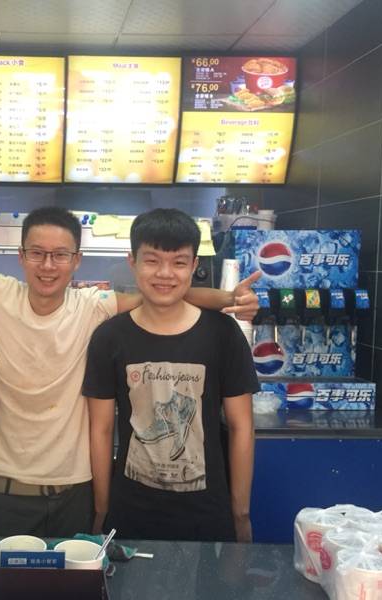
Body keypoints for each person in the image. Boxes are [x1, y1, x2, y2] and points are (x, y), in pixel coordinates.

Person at [0, 202, 260, 538]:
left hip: (76, 492)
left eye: (59, 255)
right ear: (20, 256)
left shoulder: (93, 306)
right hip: (2, 492)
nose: (48, 265)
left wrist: (229, 300)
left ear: (77, 260)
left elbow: (162, 294)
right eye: (37, 253)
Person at [83, 208, 258, 543]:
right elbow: (101, 430)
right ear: (132, 262)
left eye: (178, 262)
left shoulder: (223, 334)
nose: (165, 273)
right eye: (152, 260)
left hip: (206, 513)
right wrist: (102, 510)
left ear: (194, 265)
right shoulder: (109, 337)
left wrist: (241, 513)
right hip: (130, 512)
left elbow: (241, 427)